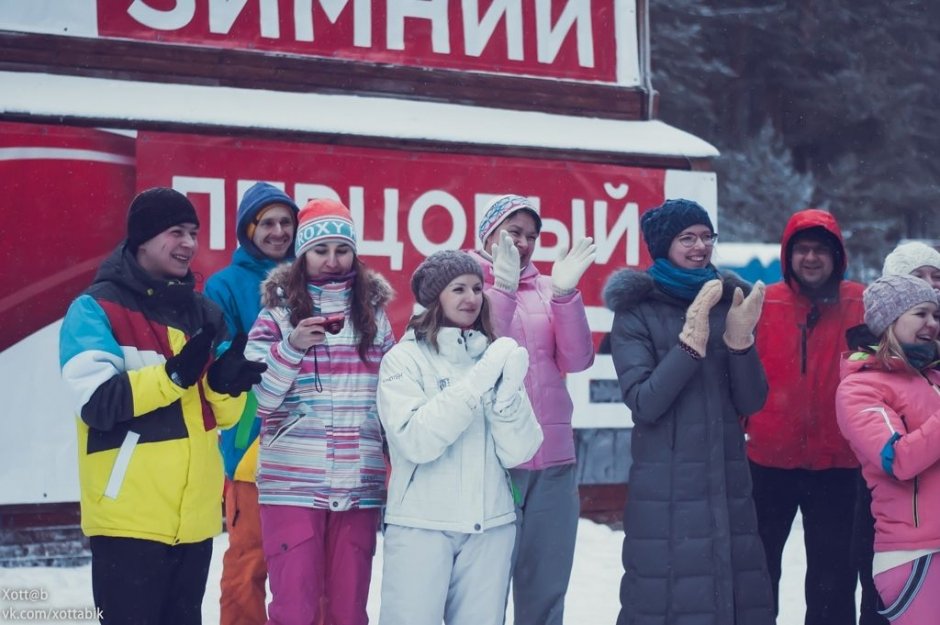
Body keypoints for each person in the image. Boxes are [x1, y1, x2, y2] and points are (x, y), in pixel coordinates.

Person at [59, 187, 265, 625]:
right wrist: (172, 378)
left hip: (194, 525)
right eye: (176, 232)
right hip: (126, 522)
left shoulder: (206, 313)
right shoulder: (94, 309)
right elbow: (97, 404)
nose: (189, 243)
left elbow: (225, 418)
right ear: (142, 239)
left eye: (193, 232)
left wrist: (226, 385)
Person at [603, 198, 774, 625]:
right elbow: (645, 402)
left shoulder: (726, 303)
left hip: (727, 482)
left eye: (706, 237)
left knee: (734, 597)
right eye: (687, 238)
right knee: (667, 601)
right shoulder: (635, 313)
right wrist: (687, 347)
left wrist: (740, 344)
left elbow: (752, 401)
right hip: (667, 488)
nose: (700, 247)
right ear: (664, 246)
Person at [245, 198, 395, 625]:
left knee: (349, 612)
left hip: (361, 484)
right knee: (295, 610)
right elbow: (260, 401)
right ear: (302, 255)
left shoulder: (376, 318)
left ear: (354, 254)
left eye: (342, 250)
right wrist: (290, 348)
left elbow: (394, 396)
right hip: (292, 483)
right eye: (320, 250)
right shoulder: (275, 316)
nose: (332, 260)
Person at [376, 249, 544, 625]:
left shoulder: (493, 356)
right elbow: (415, 441)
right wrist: (475, 385)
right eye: (458, 289)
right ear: (436, 297)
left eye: (476, 288)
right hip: (423, 526)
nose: (471, 298)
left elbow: (521, 451)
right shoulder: (404, 360)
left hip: (490, 526)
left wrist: (506, 399)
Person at [466, 194, 595, 625]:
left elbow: (576, 359)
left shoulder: (547, 288)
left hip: (553, 459)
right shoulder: (462, 282)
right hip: (496, 462)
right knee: (486, 589)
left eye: (530, 236)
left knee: (545, 584)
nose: (522, 243)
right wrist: (500, 290)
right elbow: (481, 354)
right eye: (512, 231)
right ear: (487, 232)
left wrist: (565, 294)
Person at [746, 208, 865, 625]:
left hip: (840, 465)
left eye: (820, 250)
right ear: (787, 255)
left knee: (833, 578)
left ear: (837, 256)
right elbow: (738, 370)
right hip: (767, 462)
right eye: (802, 249)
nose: (811, 258)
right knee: (758, 572)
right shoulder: (764, 303)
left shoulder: (861, 302)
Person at [205, 182, 299, 625]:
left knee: (305, 567)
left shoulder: (313, 277)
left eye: (287, 222)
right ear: (248, 228)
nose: (279, 231)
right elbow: (216, 361)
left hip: (310, 444)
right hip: (250, 443)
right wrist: (243, 352)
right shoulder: (223, 285)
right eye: (268, 223)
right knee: (249, 562)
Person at [836, 274, 940, 625]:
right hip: (914, 553)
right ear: (890, 321)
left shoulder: (933, 378)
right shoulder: (860, 387)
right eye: (921, 314)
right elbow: (899, 459)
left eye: (936, 315)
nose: (932, 324)